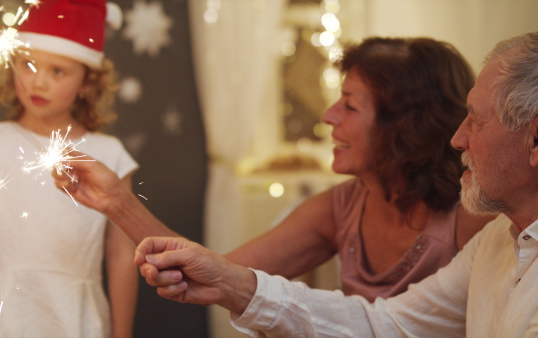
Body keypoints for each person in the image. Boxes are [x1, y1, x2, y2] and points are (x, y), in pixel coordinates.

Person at [136, 31, 538, 337]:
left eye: (349, 104)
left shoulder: (477, 221)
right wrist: (229, 282)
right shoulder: (498, 242)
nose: (458, 138)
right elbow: (386, 323)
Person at [54, 36, 494, 302]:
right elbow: (215, 272)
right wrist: (116, 201)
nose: (328, 115)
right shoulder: (340, 207)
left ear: (404, 125)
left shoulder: (475, 218)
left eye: (350, 105)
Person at [0, 0, 174, 336]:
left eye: (58, 71)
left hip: (74, 317)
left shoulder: (109, 155)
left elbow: (122, 258)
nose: (39, 83)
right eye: (28, 65)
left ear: (87, 82)